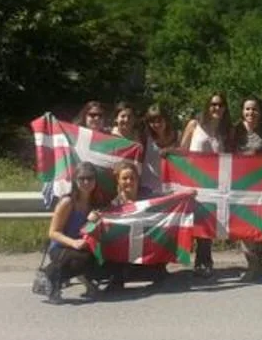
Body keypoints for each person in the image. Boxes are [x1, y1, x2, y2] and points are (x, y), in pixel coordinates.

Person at [180, 91, 231, 278]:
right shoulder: (194, 125)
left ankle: (204, 262)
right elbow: (182, 151)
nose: (216, 108)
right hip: (193, 182)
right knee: (190, 224)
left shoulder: (222, 133)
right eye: (213, 104)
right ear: (207, 106)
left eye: (220, 105)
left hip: (212, 185)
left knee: (207, 225)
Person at [101, 160, 168, 292]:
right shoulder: (113, 205)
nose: (129, 181)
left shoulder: (148, 197)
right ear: (118, 181)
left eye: (132, 178)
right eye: (124, 178)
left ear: (138, 180)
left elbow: (168, 200)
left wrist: (185, 195)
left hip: (148, 246)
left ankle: (156, 268)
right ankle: (118, 276)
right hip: (125, 252)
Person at [41, 162, 100, 304]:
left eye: (90, 178)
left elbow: (87, 229)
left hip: (82, 246)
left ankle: (83, 278)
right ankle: (51, 279)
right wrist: (74, 243)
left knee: (97, 259)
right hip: (61, 247)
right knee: (82, 259)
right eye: (82, 178)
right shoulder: (67, 202)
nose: (86, 182)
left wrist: (92, 221)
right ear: (75, 180)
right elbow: (53, 232)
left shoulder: (94, 203)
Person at [234, 96, 262, 282]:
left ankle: (258, 264)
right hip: (240, 184)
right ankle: (252, 265)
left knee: (259, 226)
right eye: (247, 109)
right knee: (243, 227)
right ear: (242, 111)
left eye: (254, 109)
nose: (251, 112)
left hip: (261, 184)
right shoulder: (235, 131)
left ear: (260, 111)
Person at [141, 103, 180, 196]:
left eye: (159, 120)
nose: (156, 124)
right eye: (152, 121)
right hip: (148, 188)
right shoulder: (145, 137)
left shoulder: (178, 136)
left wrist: (172, 151)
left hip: (172, 188)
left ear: (166, 119)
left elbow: (185, 155)